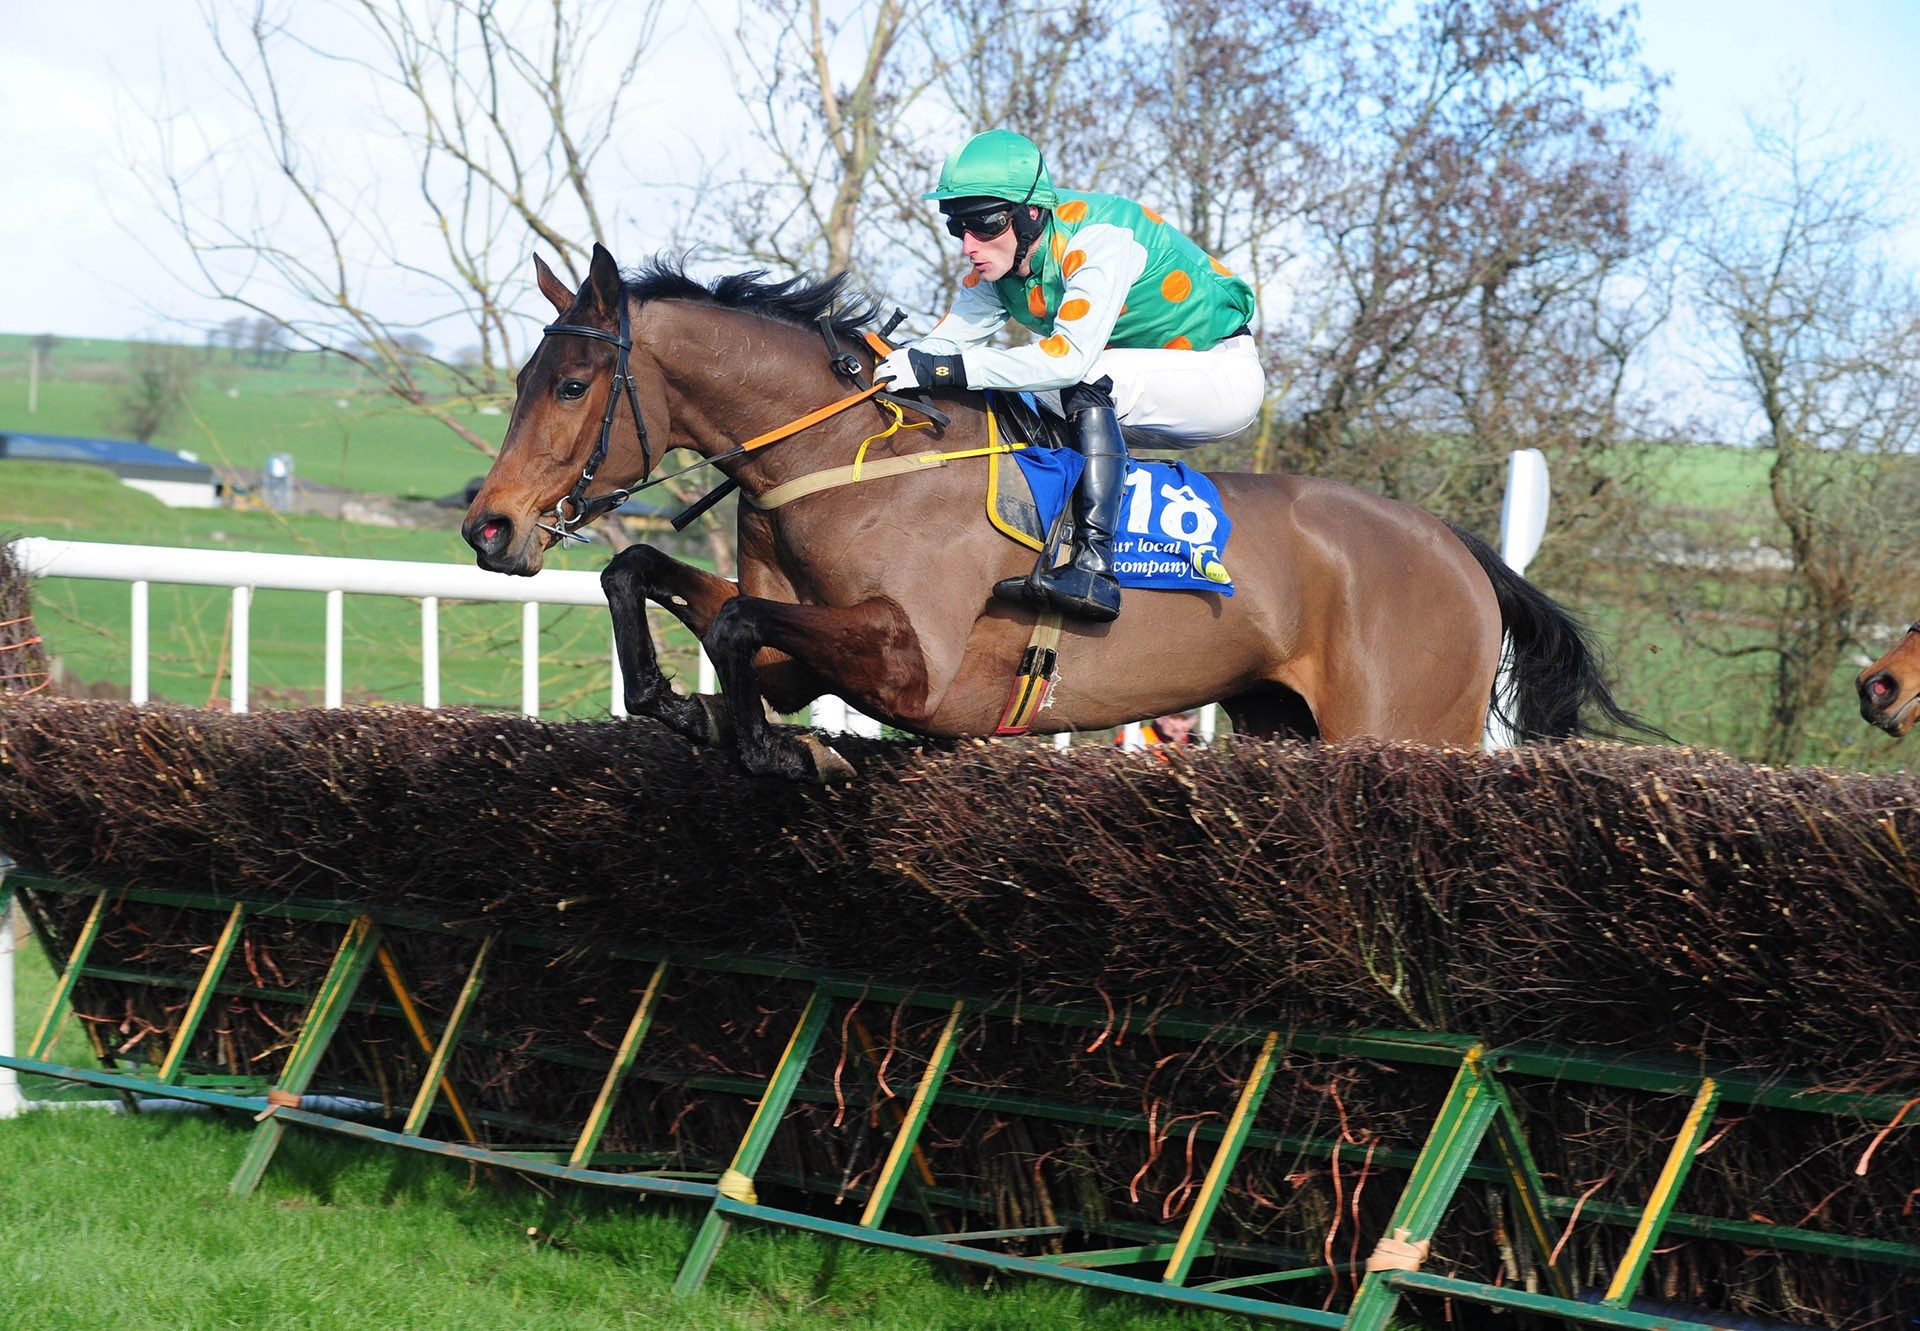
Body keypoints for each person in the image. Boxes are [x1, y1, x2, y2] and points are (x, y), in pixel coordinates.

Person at [877, 129, 1263, 623]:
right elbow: (939, 349)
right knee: (1007, 396)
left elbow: (1066, 361)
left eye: (984, 225)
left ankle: (1095, 568)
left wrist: (946, 366)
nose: (969, 245)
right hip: (1137, 387)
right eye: (958, 228)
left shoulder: (1102, 238)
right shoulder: (1000, 267)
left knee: (1072, 378)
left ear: (1031, 213)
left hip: (1220, 379)